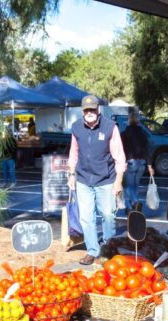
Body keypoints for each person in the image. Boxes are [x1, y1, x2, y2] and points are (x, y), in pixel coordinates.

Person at [67, 94, 126, 265]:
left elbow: (119, 157)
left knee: (108, 215)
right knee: (86, 217)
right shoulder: (76, 127)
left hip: (106, 179)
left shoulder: (110, 127)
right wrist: (71, 174)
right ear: (82, 112)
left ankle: (108, 249)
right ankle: (92, 250)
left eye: (93, 109)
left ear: (98, 110)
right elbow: (73, 153)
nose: (90, 112)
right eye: (86, 110)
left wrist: (118, 181)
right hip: (83, 179)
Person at [121, 107, 154, 213]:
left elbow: (122, 149)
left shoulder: (125, 133)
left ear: (129, 120)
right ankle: (130, 205)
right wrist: (149, 165)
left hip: (130, 161)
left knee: (127, 185)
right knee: (135, 185)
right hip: (142, 162)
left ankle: (134, 202)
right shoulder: (143, 133)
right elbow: (147, 149)